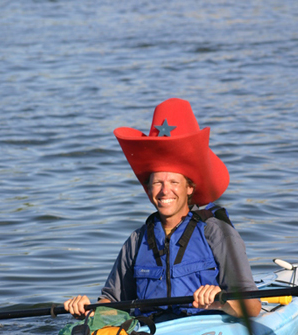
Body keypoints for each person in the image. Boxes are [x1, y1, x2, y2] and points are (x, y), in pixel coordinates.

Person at [64, 98, 261, 319]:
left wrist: (221, 300)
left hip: (203, 331)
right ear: (148, 190)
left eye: (174, 183)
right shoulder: (136, 241)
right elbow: (111, 306)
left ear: (189, 188)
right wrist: (86, 310)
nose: (165, 191)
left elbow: (253, 308)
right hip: (151, 334)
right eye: (158, 183)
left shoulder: (217, 233)